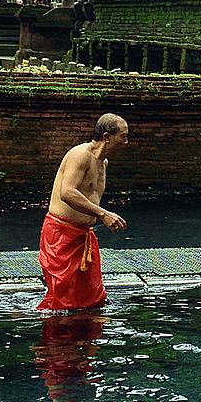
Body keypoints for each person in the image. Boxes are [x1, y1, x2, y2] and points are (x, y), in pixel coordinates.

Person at [38, 114, 129, 311]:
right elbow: (67, 192)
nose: (126, 142)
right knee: (62, 302)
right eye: (123, 136)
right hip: (61, 235)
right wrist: (104, 214)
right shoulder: (80, 155)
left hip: (84, 236)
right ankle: (55, 339)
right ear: (107, 136)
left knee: (93, 298)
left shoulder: (103, 163)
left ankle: (90, 340)